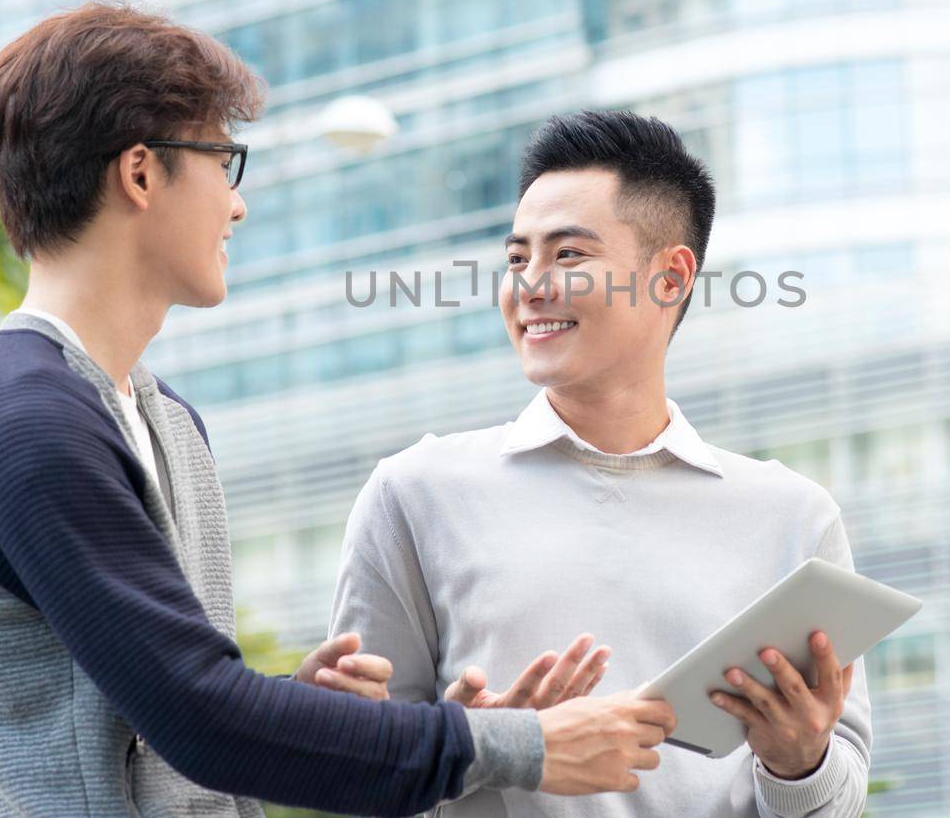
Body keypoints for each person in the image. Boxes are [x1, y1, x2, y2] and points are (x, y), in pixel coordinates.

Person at [0, 4, 675, 818]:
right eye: (222, 161)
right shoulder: (23, 418)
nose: (236, 206)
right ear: (140, 174)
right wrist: (525, 748)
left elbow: (171, 721)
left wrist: (303, 712)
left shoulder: (164, 416)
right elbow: (199, 716)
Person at [330, 110, 872, 816]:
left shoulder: (792, 516)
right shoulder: (415, 493)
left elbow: (841, 797)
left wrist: (799, 764)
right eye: (517, 257)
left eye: (568, 256)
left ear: (670, 278)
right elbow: (348, 775)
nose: (530, 285)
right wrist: (475, 750)